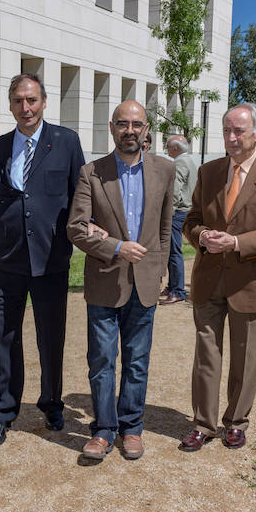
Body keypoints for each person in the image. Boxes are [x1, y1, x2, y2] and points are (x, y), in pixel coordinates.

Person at [179, 102, 256, 452]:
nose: (231, 138)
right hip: (209, 278)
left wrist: (236, 242)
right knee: (206, 355)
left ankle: (236, 422)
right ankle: (203, 424)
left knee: (246, 358)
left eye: (239, 131)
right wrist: (200, 236)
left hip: (252, 283)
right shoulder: (209, 171)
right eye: (226, 130)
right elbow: (192, 219)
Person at [67, 100, 174, 461]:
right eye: (123, 124)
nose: (130, 130)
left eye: (137, 124)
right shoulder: (91, 172)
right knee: (101, 360)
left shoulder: (164, 170)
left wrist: (158, 270)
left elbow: (163, 230)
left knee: (137, 360)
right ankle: (102, 430)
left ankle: (131, 428)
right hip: (104, 281)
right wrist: (114, 246)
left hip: (144, 283)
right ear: (112, 128)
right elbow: (76, 228)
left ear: (147, 130)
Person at [0, 73, 85, 447]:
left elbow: (79, 197)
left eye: (31, 100)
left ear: (44, 102)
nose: (25, 108)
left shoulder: (67, 143)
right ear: (10, 105)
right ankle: (1, 410)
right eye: (17, 101)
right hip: (8, 260)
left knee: (50, 337)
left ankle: (52, 401)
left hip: (51, 258)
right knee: (3, 337)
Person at [160, 134, 198, 305]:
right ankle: (173, 286)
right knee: (173, 251)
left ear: (175, 148)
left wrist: (168, 211)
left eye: (167, 146)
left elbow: (175, 190)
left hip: (177, 212)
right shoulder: (189, 160)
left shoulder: (179, 163)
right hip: (185, 210)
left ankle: (178, 290)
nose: (166, 149)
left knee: (173, 252)